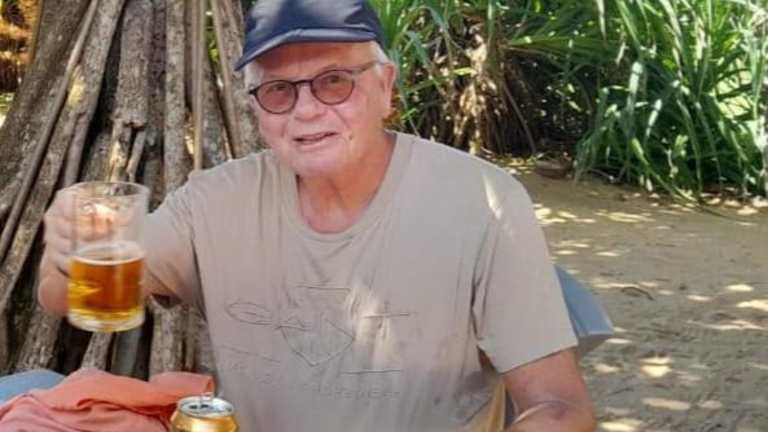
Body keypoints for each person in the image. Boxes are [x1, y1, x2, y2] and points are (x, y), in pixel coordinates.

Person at [36, 0, 597, 430]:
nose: (306, 110)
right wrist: (65, 254)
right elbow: (62, 299)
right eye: (279, 90)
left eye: (334, 81)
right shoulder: (214, 202)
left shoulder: (481, 202)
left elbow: (558, 405)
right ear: (257, 110)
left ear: (385, 88)